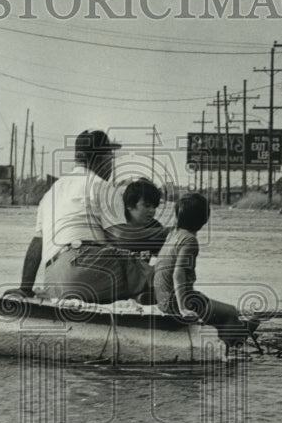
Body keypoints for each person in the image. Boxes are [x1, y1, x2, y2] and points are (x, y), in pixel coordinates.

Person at [14, 130, 153, 303]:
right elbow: (123, 239)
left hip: (53, 280)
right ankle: (147, 296)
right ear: (100, 159)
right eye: (110, 159)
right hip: (86, 269)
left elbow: (36, 245)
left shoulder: (51, 192)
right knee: (155, 277)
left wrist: (24, 288)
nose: (112, 165)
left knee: (128, 270)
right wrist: (169, 238)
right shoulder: (101, 186)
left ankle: (135, 295)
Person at [153, 192, 259, 348]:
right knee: (230, 312)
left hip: (163, 298)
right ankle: (228, 347)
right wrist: (182, 308)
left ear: (177, 216)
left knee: (221, 314)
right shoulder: (189, 240)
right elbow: (178, 274)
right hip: (177, 301)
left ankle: (236, 332)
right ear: (204, 220)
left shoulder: (173, 235)